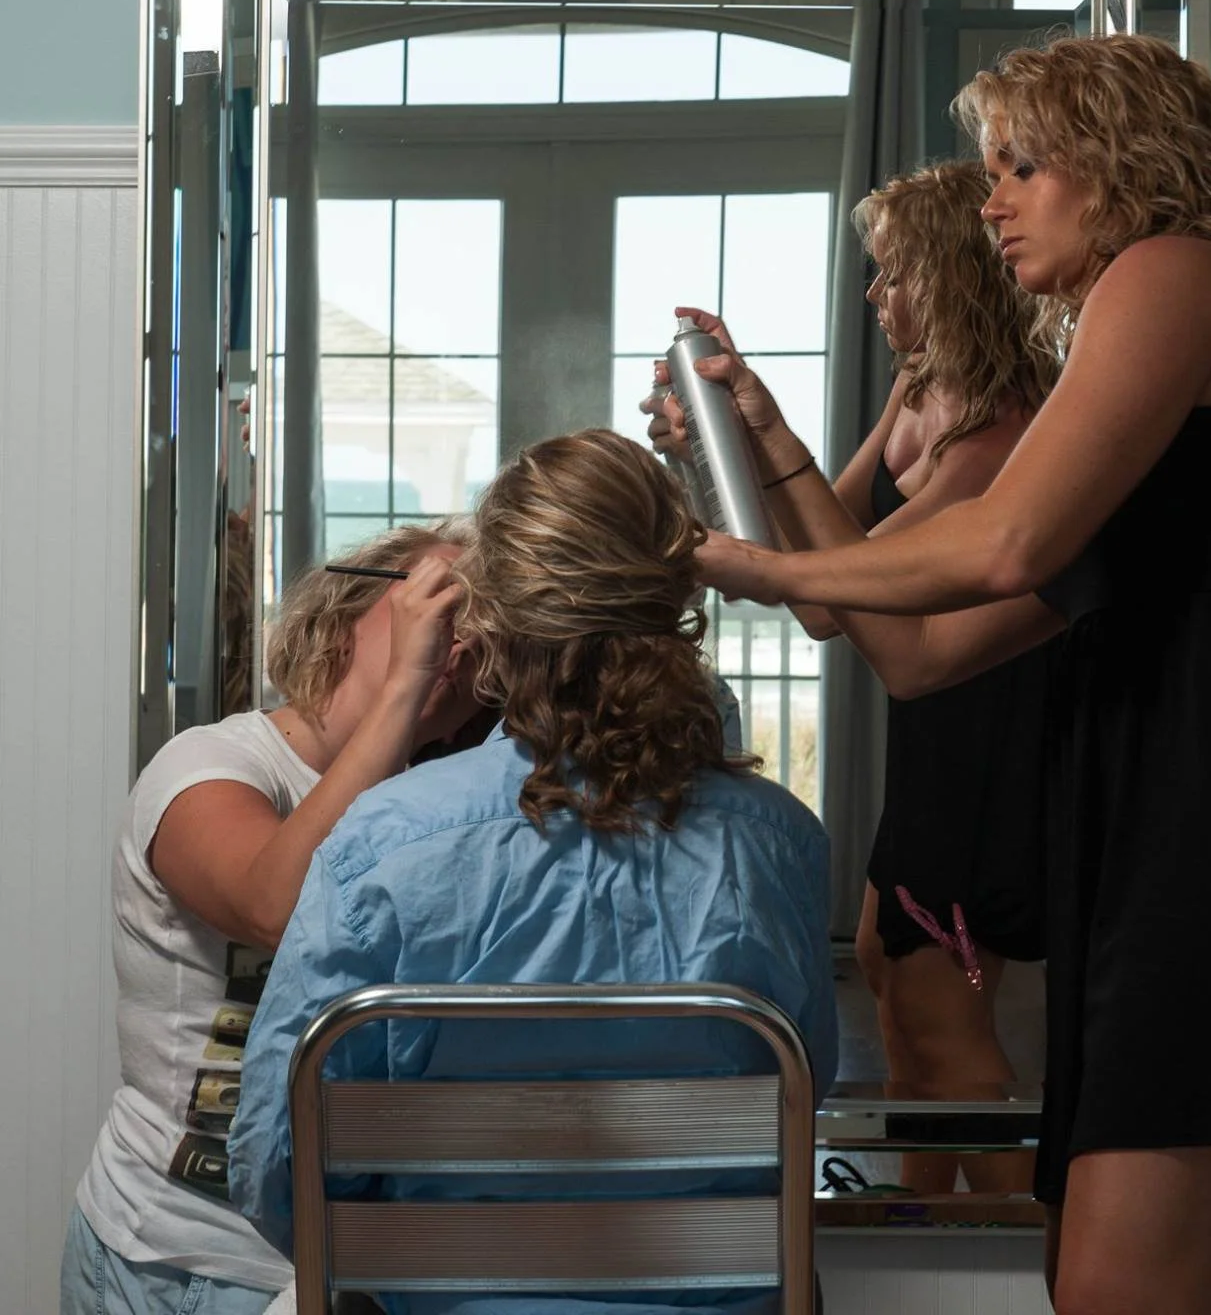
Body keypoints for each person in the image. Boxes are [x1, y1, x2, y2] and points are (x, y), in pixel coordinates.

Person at [697, 32, 1211, 1315]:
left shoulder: (1174, 271)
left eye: (1022, 166)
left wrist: (760, 568)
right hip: (1162, 806)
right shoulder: (1134, 356)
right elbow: (918, 649)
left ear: (1118, 166)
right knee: (1101, 1285)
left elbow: (1002, 540)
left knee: (1117, 1293)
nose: (991, 198)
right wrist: (769, 437)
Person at [227, 429, 839, 1315]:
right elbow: (797, 1097)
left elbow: (278, 1162)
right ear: (677, 596)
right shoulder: (776, 843)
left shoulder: (388, 844)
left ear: (490, 619)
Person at [646, 162, 1056, 1194]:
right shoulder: (919, 388)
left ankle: (1017, 1249)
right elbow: (814, 532)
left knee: (939, 1012)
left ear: (949, 275)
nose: (875, 297)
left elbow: (831, 598)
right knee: (884, 971)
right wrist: (724, 446)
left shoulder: (1000, 425)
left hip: (987, 733)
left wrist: (762, 469)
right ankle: (920, 1219)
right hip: (931, 734)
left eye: (891, 274)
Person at [63, 523, 477, 1315]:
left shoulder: (445, 805)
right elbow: (278, 906)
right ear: (345, 608)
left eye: (479, 629)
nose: (453, 641)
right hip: (177, 1258)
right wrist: (404, 688)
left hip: (343, 1261)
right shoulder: (209, 764)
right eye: (436, 601)